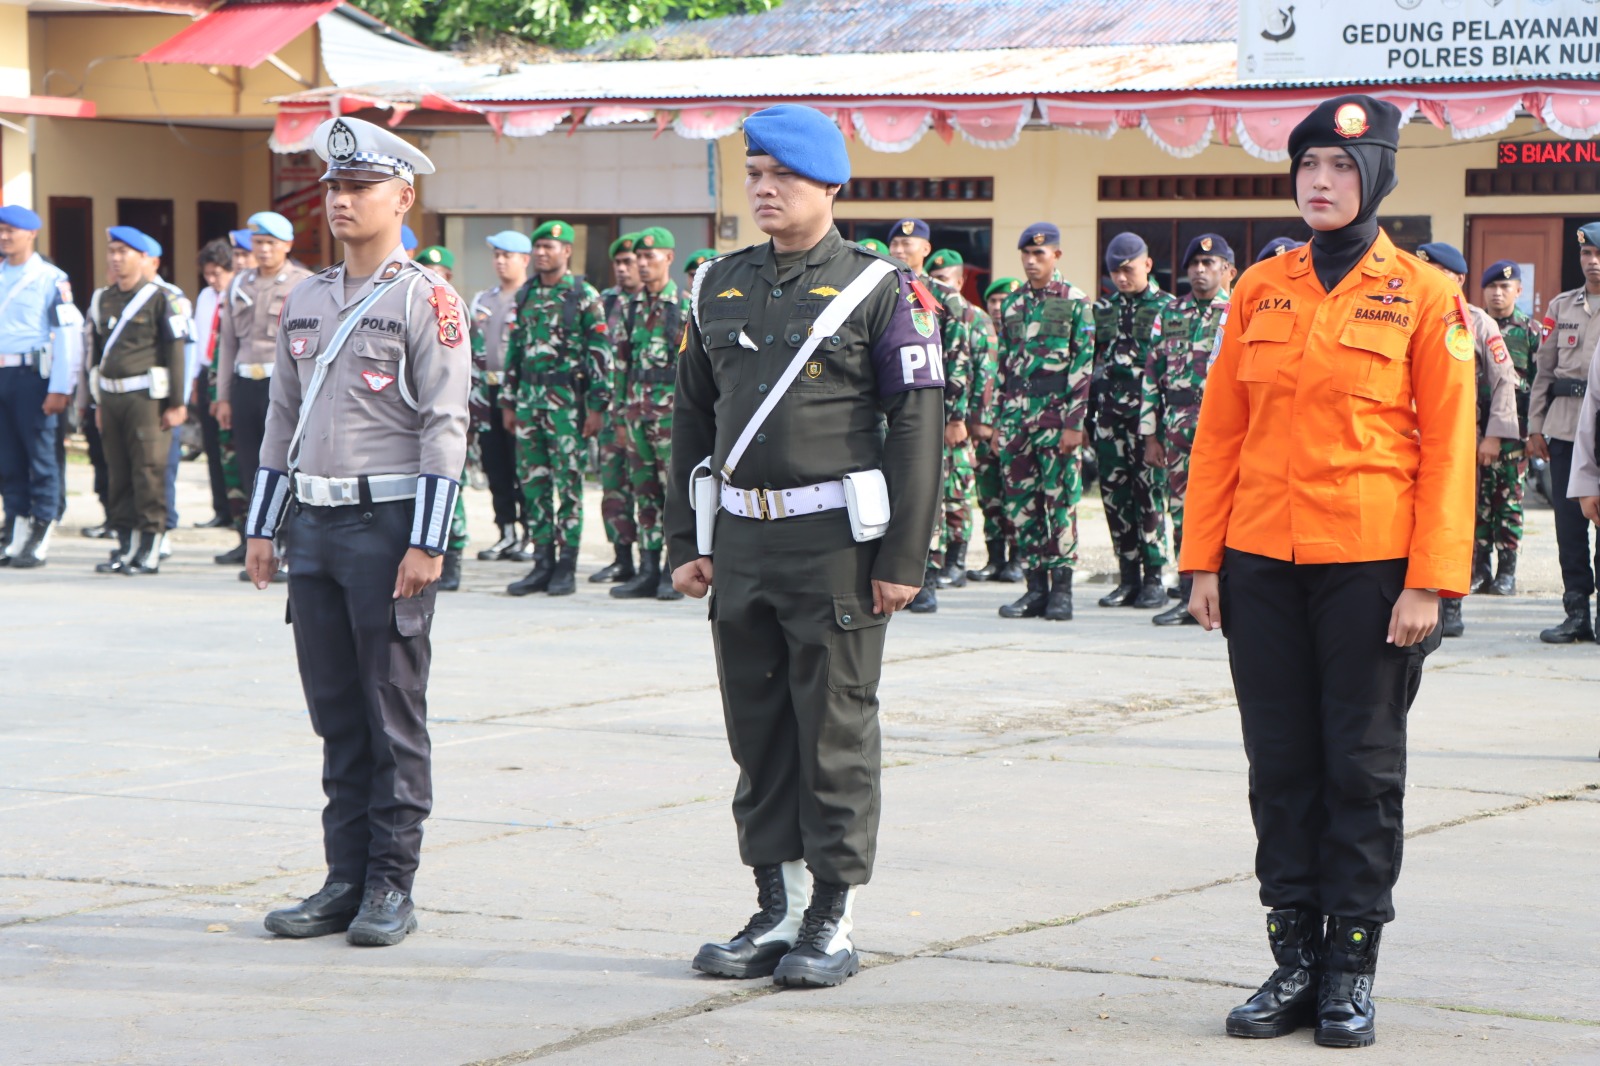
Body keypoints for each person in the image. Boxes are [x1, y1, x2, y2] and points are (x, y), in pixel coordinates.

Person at [1182, 95, 1475, 1048]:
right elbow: (1221, 432)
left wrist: (1430, 579)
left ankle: (1350, 967)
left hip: (1371, 569)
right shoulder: (1260, 288)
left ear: (1377, 177)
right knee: (1280, 766)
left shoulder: (1425, 294)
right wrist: (1202, 560)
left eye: (1343, 167)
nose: (1320, 180)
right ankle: (1294, 962)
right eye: (1308, 163)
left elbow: (1451, 449)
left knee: (1361, 767)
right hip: (1260, 563)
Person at [666, 104, 943, 988]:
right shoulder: (717, 283)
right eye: (755, 174)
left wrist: (901, 559)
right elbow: (692, 419)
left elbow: (917, 429)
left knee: (833, 731)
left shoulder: (881, 289)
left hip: (834, 547)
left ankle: (832, 915)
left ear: (829, 185)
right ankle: (776, 907)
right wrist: (687, 538)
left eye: (782, 175)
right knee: (758, 730)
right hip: (743, 538)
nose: (764, 189)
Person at [244, 116, 469, 948]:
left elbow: (446, 426)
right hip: (314, 527)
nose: (341, 201)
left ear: (402, 198)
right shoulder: (305, 297)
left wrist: (429, 541)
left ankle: (390, 885)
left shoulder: (426, 298)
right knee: (336, 713)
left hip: (387, 528)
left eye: (359, 187)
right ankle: (343, 879)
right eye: (334, 187)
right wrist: (263, 528)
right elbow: (282, 417)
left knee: (390, 713)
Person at [500, 220, 613, 597]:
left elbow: (600, 353)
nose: (541, 253)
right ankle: (542, 562)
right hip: (529, 404)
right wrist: (508, 401)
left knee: (568, 486)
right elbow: (515, 349)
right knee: (533, 485)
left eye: (549, 246)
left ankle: (566, 565)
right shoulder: (527, 293)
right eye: (538, 247)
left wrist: (597, 406)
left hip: (568, 407)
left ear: (566, 251)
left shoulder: (583, 294)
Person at [1415, 242, 1520, 637]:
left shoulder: (1477, 321)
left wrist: (1493, 436)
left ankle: (1451, 606)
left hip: (1458, 437)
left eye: (1437, 272)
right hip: (1408, 436)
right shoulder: (1406, 313)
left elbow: (1504, 380)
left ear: (1457, 279)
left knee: (1453, 519)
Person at [993, 224, 1095, 621]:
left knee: (1060, 503)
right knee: (1022, 505)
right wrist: (1000, 423)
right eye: (1026, 254)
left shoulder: (1075, 301)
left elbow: (1083, 366)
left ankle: (1062, 591)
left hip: (1056, 418)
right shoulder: (1012, 304)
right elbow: (1004, 367)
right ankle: (1035, 589)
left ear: (1056, 255)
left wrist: (1074, 424)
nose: (1032, 261)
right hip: (1016, 420)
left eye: (1040, 254)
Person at [1141, 233, 1234, 626]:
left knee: (1230, 511)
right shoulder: (1170, 313)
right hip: (1178, 431)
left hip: (1226, 432)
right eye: (1193, 264)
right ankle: (1187, 595)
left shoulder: (1238, 311)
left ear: (1228, 270)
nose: (1199, 270)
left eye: (1208, 263)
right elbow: (1152, 375)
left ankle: (1230, 594)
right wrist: (1150, 434)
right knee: (1181, 512)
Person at [84, 226, 188, 574]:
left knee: (149, 470)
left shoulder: (162, 298)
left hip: (146, 398)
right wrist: (97, 402)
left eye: (123, 252)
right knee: (118, 472)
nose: (116, 258)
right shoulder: (103, 298)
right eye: (112, 251)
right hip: (111, 396)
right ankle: (125, 544)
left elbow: (176, 353)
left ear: (144, 258)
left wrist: (177, 403)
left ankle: (150, 545)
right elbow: (97, 354)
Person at [214, 212, 313, 574]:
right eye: (258, 242)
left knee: (286, 465)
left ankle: (287, 547)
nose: (264, 249)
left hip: (283, 387)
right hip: (245, 383)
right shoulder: (239, 284)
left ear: (287, 245)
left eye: (271, 243)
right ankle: (258, 543)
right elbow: (227, 344)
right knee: (250, 466)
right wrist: (223, 396)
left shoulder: (304, 284)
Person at [885, 217, 974, 614]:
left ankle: (928, 577)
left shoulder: (943, 297)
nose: (900, 250)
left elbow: (959, 359)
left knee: (928, 492)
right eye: (895, 244)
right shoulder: (878, 289)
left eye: (909, 245)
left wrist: (955, 416)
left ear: (926, 249)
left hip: (931, 413)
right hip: (885, 412)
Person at [1527, 221, 1600, 644]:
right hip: (1565, 430)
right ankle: (1576, 613)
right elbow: (1544, 372)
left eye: (1599, 254)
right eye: (1587, 254)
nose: (1593, 262)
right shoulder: (1561, 306)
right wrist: (1535, 426)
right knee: (1569, 528)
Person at [0, 204, 83, 569]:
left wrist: (61, 387)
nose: (4, 237)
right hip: (2, 375)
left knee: (41, 457)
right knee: (8, 459)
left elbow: (67, 334)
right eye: (1, 230)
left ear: (31, 234)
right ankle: (15, 527)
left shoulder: (51, 279)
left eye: (11, 231)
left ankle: (42, 528)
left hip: (33, 378)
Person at [1093, 232, 1173, 608]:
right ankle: (1128, 578)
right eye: (1115, 272)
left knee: (1150, 497)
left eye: (1128, 270)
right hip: (1110, 421)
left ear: (1147, 265)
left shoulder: (1168, 308)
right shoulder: (1103, 310)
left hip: (1148, 422)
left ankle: (1154, 577)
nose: (1121, 278)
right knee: (1115, 498)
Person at [608, 227, 687, 600]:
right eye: (638, 257)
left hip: (671, 420)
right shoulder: (630, 308)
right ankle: (647, 569)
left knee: (674, 495)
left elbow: (694, 371)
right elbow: (621, 366)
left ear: (668, 258)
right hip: (636, 417)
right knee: (644, 494)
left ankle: (674, 570)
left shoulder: (685, 307)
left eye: (649, 257)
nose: (641, 263)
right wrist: (620, 417)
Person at [1478, 259, 1540, 595]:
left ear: (1518, 290)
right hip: (1476, 431)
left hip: (1515, 435)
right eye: (1492, 286)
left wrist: (1534, 432)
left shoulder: (1530, 332)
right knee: (1478, 503)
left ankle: (1507, 572)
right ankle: (1480, 569)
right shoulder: (1472, 327)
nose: (1498, 293)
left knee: (1509, 503)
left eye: (1505, 287)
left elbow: (1540, 385)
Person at [470, 230, 533, 563]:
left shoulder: (530, 297)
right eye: (496, 255)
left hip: (520, 394)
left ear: (524, 260)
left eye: (507, 255)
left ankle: (531, 534)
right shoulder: (484, 299)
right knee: (495, 466)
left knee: (524, 466)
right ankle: (506, 532)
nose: (500, 261)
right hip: (486, 392)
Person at [966, 276, 1023, 583]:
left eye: (1005, 301)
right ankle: (995, 558)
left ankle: (1018, 559)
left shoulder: (1024, 338)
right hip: (983, 432)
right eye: (994, 301)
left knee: (1016, 497)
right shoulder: (979, 336)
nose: (999, 307)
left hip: (1014, 430)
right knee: (989, 497)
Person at [592, 232, 642, 583]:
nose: (623, 269)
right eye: (619, 263)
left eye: (629, 262)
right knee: (613, 487)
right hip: (612, 411)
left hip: (650, 411)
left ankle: (661, 563)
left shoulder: (664, 304)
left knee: (654, 489)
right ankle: (622, 558)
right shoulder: (604, 303)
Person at [191, 238, 236, 530]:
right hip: (206, 371)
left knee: (231, 444)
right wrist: (195, 380)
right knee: (211, 444)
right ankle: (221, 509)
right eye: (207, 274)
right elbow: (198, 339)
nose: (212, 280)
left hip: (228, 373)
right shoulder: (206, 297)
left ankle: (239, 509)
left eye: (217, 273)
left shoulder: (238, 294)